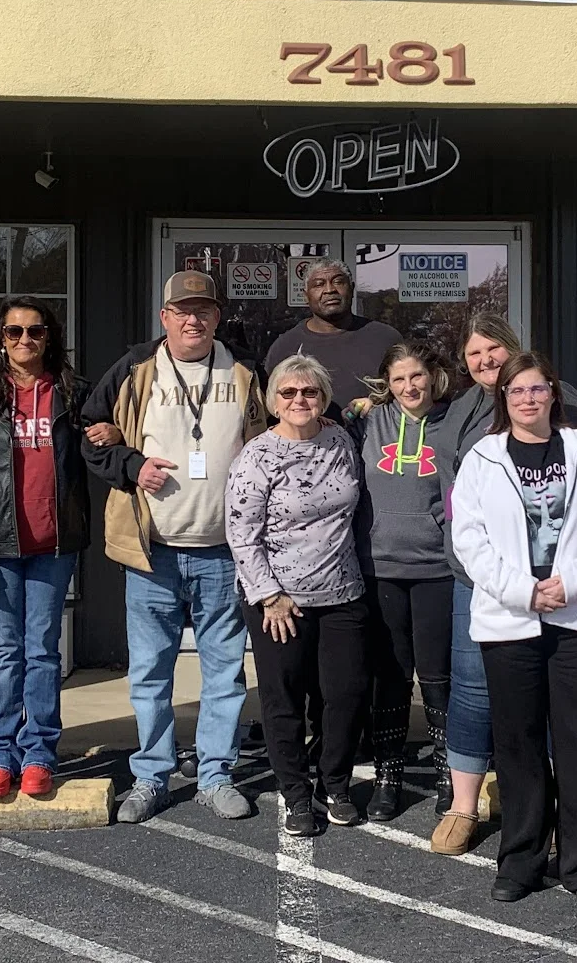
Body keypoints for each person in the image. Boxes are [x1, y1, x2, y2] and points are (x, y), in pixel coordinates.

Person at [82, 269, 268, 824]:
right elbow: (89, 432)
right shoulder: (135, 369)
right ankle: (152, 775)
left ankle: (215, 775)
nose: (193, 320)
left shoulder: (245, 370)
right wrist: (132, 465)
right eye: (182, 311)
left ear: (217, 317)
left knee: (224, 672)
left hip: (224, 550)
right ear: (164, 317)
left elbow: (270, 438)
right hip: (152, 549)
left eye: (203, 311)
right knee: (150, 672)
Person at [451, 352, 577, 906]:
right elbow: (469, 539)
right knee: (518, 744)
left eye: (537, 388)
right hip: (509, 620)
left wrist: (572, 583)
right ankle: (521, 860)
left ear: (554, 392)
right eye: (517, 391)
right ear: (503, 399)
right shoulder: (482, 458)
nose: (528, 399)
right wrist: (524, 591)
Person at [431, 311, 577, 855]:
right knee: (472, 689)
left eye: (493, 349)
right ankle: (463, 805)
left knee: (547, 695)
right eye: (474, 353)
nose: (485, 361)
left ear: (512, 347)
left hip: (556, 582)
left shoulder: (558, 396)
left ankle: (553, 811)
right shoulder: (461, 409)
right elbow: (452, 490)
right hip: (479, 577)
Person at [0, 297, 91, 800]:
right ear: (0, 340)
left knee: (43, 651)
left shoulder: (72, 393)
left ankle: (40, 753)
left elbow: (101, 446)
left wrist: (111, 433)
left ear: (49, 337)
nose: (25, 340)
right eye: (14, 332)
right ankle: (0, 754)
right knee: (6, 651)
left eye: (35, 331)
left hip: (54, 544)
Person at [226, 354, 369, 836]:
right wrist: (269, 595)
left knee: (344, 696)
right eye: (288, 393)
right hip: (280, 602)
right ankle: (295, 793)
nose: (299, 400)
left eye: (309, 391)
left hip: (343, 592)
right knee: (283, 699)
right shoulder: (257, 456)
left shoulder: (340, 440)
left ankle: (335, 785)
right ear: (273, 402)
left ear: (324, 398)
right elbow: (241, 533)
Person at [349, 342, 454, 822]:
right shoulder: (368, 421)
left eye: (416, 376)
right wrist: (356, 406)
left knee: (436, 676)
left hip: (437, 568)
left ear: (432, 376)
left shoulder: (453, 420)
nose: (409, 387)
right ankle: (387, 776)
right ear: (386, 385)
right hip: (380, 568)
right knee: (390, 677)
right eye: (398, 379)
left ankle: (448, 773)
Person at [264, 259, 402, 410]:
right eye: (319, 284)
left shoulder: (385, 339)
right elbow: (272, 407)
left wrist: (376, 407)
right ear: (306, 296)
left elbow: (407, 395)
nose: (329, 290)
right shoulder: (285, 347)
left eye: (338, 282)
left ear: (352, 289)